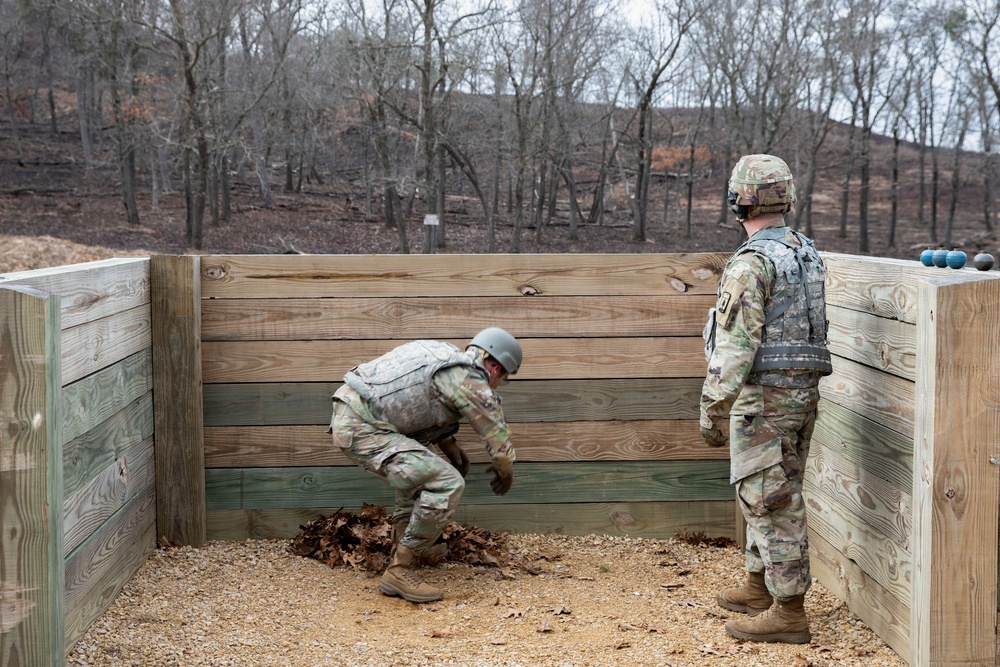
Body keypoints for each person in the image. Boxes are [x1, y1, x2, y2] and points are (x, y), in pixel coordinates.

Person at [700, 154, 832, 644]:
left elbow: (736, 345)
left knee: (769, 498)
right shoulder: (805, 252)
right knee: (773, 490)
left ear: (738, 201)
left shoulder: (752, 262)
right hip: (801, 395)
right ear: (787, 198)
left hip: (765, 399)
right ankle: (758, 587)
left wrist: (712, 406)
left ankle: (789, 613)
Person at [329, 327, 522, 603]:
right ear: (495, 367)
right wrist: (505, 469)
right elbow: (495, 432)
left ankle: (401, 552)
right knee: (447, 483)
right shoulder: (469, 377)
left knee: (420, 475)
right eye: (504, 377)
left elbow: (416, 401)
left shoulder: (445, 357)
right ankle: (399, 571)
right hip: (363, 427)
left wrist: (448, 443)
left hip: (355, 414)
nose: (499, 383)